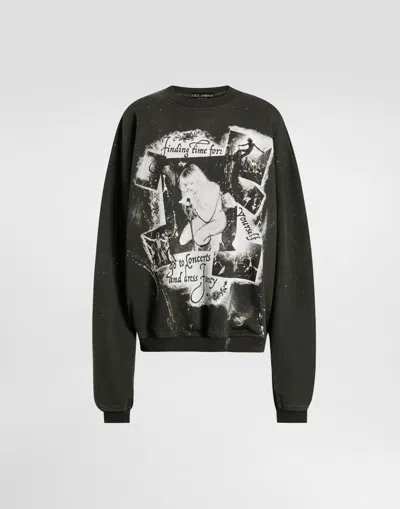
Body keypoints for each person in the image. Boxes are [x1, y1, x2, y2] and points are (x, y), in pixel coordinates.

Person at [178, 164, 229, 250]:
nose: (189, 187)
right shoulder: (193, 190)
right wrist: (188, 202)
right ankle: (207, 232)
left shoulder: (213, 187)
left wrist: (193, 202)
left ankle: (214, 236)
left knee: (198, 239)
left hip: (218, 220)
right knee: (182, 241)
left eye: (191, 183)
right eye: (186, 185)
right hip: (202, 218)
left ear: (198, 179)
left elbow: (207, 217)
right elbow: (196, 213)